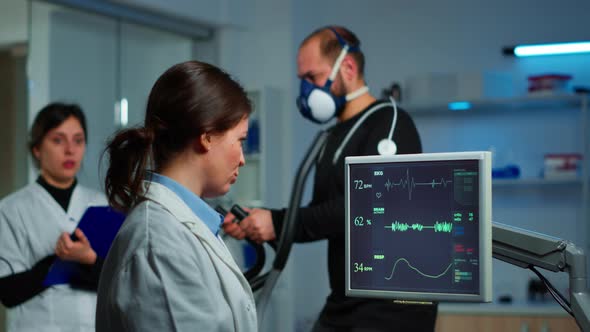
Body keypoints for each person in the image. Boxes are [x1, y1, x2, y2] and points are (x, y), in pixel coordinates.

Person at [223, 26, 437, 331]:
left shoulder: (389, 123)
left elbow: (369, 209)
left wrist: (278, 223)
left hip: (391, 306)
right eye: (303, 81)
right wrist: (265, 221)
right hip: (347, 300)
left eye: (312, 77)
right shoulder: (334, 134)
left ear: (347, 68)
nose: (307, 90)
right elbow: (324, 213)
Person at [96, 60, 257, 331]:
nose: (242, 159)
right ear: (207, 136)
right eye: (239, 141)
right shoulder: (158, 243)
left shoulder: (182, 225)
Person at [0, 102, 106, 332]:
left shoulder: (102, 204)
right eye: (58, 140)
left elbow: (119, 280)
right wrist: (60, 260)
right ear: (37, 149)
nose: (70, 150)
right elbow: (8, 292)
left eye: (78, 140)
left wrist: (89, 259)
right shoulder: (10, 209)